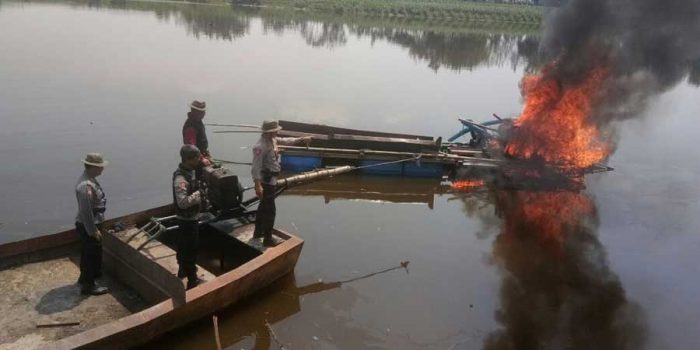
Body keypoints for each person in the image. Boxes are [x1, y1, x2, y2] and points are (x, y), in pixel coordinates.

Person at [251, 120, 311, 247]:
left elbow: (286, 140)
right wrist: (258, 185)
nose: (277, 132)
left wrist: (301, 139)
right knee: (270, 210)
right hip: (265, 183)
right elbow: (255, 168)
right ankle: (268, 239)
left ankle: (257, 233)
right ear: (269, 131)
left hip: (271, 180)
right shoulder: (259, 147)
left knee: (263, 208)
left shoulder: (272, 140)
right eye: (275, 130)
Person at [75, 153, 109, 295]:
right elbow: (86, 211)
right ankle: (89, 285)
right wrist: (93, 230)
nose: (102, 170)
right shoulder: (86, 186)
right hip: (89, 225)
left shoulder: (90, 180)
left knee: (86, 253)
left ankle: (84, 278)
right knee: (92, 255)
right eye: (100, 167)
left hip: (89, 224)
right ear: (93, 167)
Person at [172, 144, 205, 289]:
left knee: (183, 246)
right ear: (188, 159)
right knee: (190, 249)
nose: (199, 159)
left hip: (189, 218)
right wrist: (198, 195)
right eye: (197, 157)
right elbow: (183, 203)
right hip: (187, 220)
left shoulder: (188, 172)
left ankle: (182, 271)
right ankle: (193, 280)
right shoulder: (180, 179)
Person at [183, 100, 212, 166]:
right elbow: (191, 146)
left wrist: (206, 154)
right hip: (194, 161)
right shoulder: (191, 126)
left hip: (200, 157)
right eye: (202, 112)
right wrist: (202, 159)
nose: (204, 113)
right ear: (195, 112)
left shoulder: (197, 122)